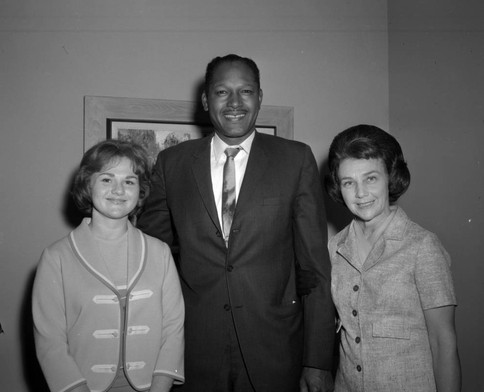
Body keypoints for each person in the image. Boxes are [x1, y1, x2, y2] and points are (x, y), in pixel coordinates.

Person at [137, 54, 335, 392]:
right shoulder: (173, 164)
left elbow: (314, 267)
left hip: (276, 350)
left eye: (245, 91)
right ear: (205, 100)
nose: (234, 103)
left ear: (260, 97)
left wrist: (316, 361)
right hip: (193, 350)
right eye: (222, 92)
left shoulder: (295, 159)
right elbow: (151, 257)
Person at [32, 140, 185, 392]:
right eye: (106, 179)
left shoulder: (160, 252)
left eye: (129, 181)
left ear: (140, 191)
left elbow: (173, 329)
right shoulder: (56, 257)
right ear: (87, 184)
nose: (118, 190)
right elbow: (51, 342)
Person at [325, 124, 461, 392]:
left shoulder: (422, 246)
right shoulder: (335, 247)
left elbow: (443, 342)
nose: (360, 193)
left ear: (391, 176)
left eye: (371, 178)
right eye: (348, 183)